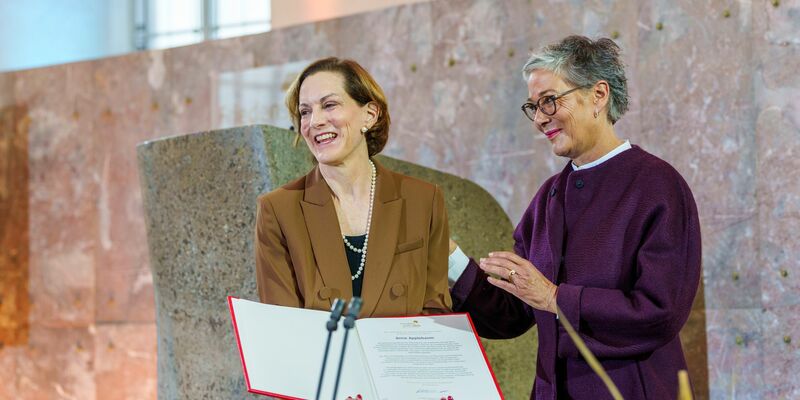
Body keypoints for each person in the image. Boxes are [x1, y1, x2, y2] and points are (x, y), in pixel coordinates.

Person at [448, 36, 702, 399]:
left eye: (550, 101)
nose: (539, 119)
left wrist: (555, 298)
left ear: (598, 95)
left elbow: (660, 311)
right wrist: (449, 257)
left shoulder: (657, 186)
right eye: (532, 107)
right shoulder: (549, 196)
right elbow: (514, 313)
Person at [255, 57, 452, 321]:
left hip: (400, 360)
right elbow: (283, 327)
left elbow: (436, 310)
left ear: (370, 115)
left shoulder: (424, 200)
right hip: (322, 362)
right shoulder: (278, 210)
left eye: (329, 105)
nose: (315, 122)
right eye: (305, 111)